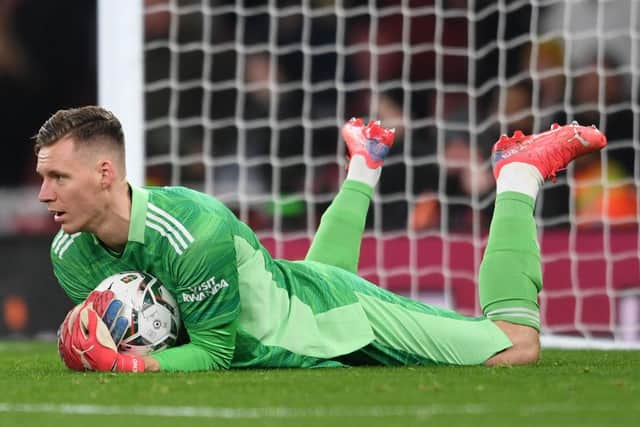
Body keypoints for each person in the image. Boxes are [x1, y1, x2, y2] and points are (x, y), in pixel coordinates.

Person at [36, 106, 606, 373]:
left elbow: (214, 352)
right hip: (284, 300)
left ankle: (518, 173)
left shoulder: (192, 227)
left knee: (514, 346)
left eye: (57, 177)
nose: (43, 194)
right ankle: (365, 165)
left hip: (336, 317)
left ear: (105, 174)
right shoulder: (69, 254)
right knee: (294, 293)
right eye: (43, 177)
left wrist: (126, 367)